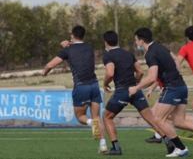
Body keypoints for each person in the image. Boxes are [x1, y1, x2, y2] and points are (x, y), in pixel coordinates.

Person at [129, 27, 193, 157]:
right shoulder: (161, 47)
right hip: (181, 86)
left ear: (141, 40)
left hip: (172, 88)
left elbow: (152, 77)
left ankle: (181, 148)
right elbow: (176, 60)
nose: (136, 43)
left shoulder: (150, 54)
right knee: (179, 121)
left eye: (136, 40)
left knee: (157, 118)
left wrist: (136, 88)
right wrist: (175, 75)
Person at [101, 30, 170, 155]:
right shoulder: (128, 53)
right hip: (135, 90)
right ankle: (168, 141)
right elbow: (140, 71)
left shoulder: (108, 55)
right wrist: (136, 84)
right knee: (151, 119)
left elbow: (110, 73)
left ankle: (116, 147)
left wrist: (105, 83)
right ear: (117, 40)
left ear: (105, 42)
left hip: (122, 91)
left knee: (106, 117)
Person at [42, 25, 108, 154]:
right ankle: (103, 144)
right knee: (97, 118)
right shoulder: (89, 47)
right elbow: (78, 47)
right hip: (94, 85)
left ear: (72, 35)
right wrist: (69, 44)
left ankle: (90, 124)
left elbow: (50, 64)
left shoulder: (67, 50)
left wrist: (45, 72)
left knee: (81, 117)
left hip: (81, 86)